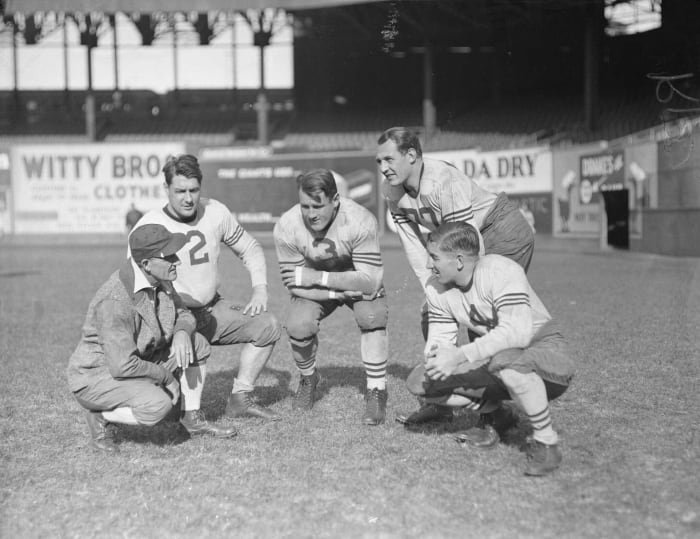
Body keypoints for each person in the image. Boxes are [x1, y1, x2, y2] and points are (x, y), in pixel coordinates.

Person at [377, 126, 536, 425]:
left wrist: (462, 291)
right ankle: (440, 402)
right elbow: (414, 246)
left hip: (498, 230)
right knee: (432, 310)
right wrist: (432, 289)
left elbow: (466, 240)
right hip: (458, 243)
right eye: (379, 162)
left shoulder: (442, 181)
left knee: (482, 316)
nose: (383, 169)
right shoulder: (391, 192)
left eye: (388, 159)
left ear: (411, 155)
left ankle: (496, 417)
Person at [398, 222, 574, 476]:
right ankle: (497, 414)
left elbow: (518, 332)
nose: (428, 265)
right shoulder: (437, 288)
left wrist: (460, 355)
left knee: (508, 362)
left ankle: (547, 443)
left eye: (434, 257)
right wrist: (438, 360)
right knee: (422, 380)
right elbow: (439, 344)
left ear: (459, 260)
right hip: (499, 358)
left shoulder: (499, 269)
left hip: (545, 350)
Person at [132, 154, 282, 421]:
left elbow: (250, 247)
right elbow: (136, 283)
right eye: (180, 191)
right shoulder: (150, 226)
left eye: (193, 190)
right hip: (172, 318)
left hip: (212, 309)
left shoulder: (215, 212)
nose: (188, 198)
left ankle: (240, 398)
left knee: (267, 325)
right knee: (173, 387)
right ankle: (178, 404)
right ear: (165, 189)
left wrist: (260, 288)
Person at [67, 224, 237, 452]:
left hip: (137, 359)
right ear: (146, 263)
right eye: (169, 256)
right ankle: (100, 415)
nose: (177, 260)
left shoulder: (159, 278)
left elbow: (184, 313)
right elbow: (122, 365)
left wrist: (182, 333)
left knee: (197, 345)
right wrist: (166, 377)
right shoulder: (114, 301)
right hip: (99, 375)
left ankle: (190, 418)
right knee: (158, 406)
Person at [273, 169, 389, 425]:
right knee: (298, 324)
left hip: (347, 279)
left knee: (372, 315)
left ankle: (377, 388)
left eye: (318, 205)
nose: (311, 214)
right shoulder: (287, 225)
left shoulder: (359, 220)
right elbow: (294, 284)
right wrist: (335, 291)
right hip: (327, 288)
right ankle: (308, 378)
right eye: (305, 206)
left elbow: (368, 281)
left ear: (335, 200)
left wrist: (319, 278)